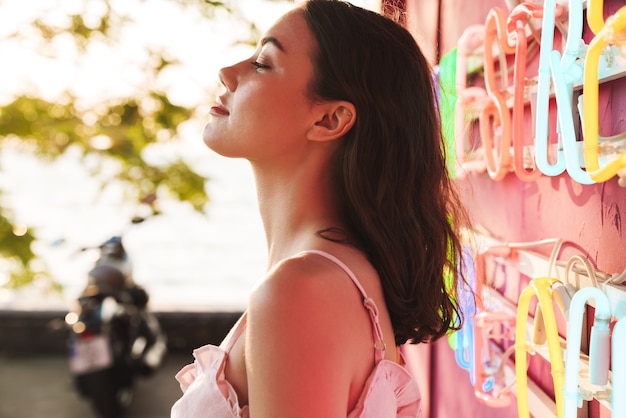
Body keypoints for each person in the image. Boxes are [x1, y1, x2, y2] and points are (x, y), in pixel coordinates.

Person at [171, 0, 470, 417]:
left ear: (330, 120)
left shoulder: (301, 290)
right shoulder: (330, 278)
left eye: (262, 63)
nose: (227, 73)